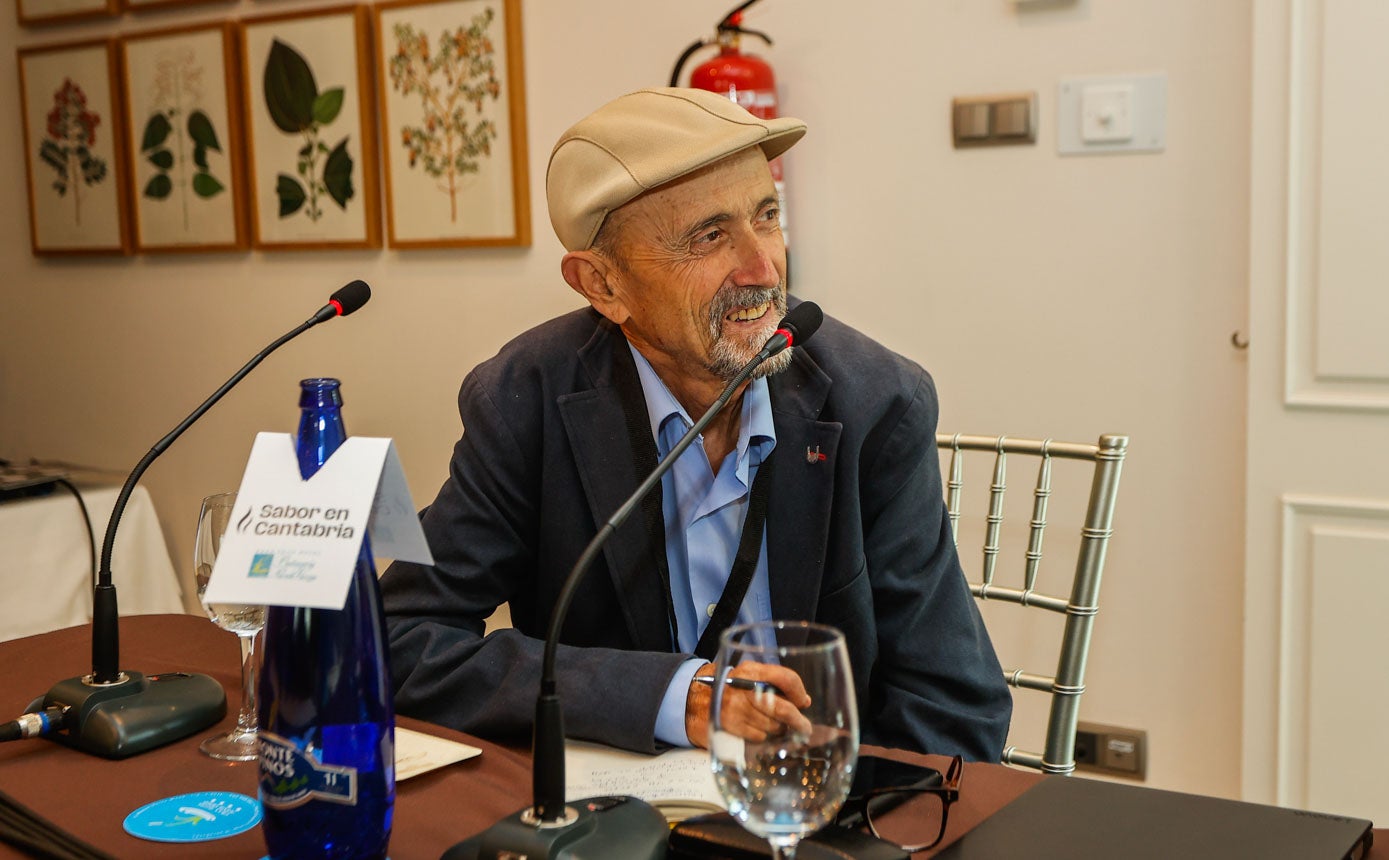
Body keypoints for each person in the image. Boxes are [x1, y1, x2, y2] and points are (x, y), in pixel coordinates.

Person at [379, 87, 1011, 761]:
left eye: (766, 216)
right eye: (709, 236)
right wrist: (670, 697)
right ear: (602, 285)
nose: (763, 268)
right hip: (616, 810)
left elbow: (951, 708)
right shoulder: (525, 398)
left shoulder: (876, 402)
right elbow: (401, 640)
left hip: (815, 806)